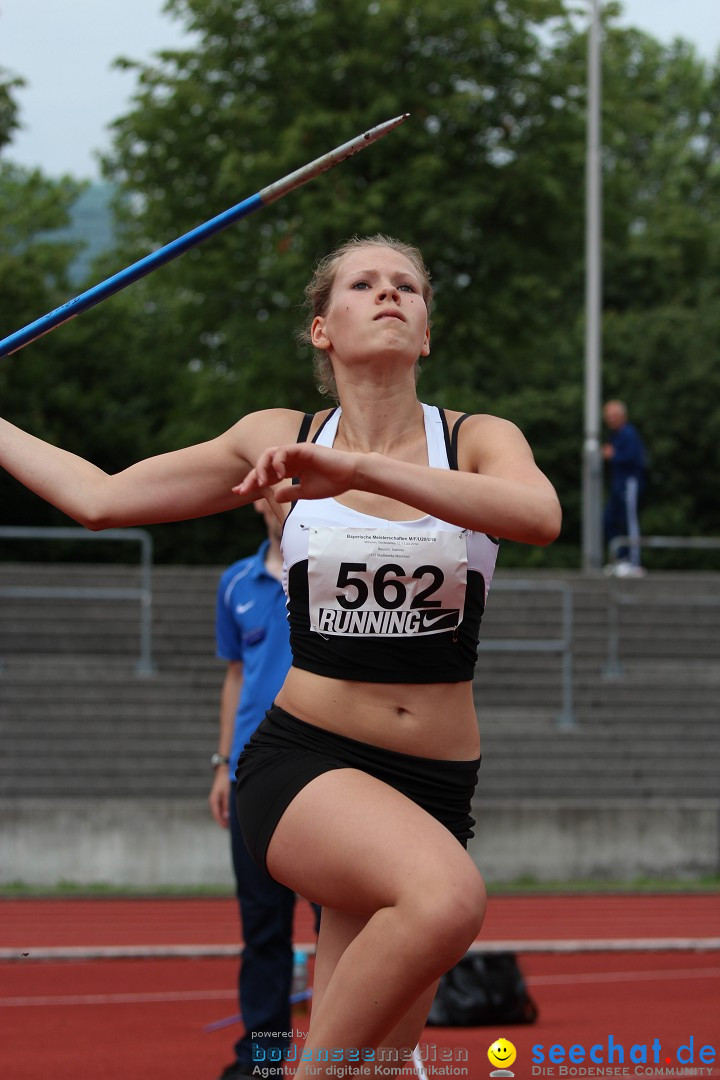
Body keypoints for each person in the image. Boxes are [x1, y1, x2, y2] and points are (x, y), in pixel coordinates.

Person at [0, 234, 561, 1079]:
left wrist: (358, 471)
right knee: (447, 902)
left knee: (374, 1066)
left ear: (428, 333)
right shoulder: (277, 436)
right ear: (320, 330)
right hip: (307, 761)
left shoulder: (477, 439)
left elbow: (536, 515)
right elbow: (101, 499)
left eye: (408, 286)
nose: (390, 294)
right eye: (364, 284)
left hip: (436, 786)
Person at [210, 499, 321, 1080]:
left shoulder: (334, 569)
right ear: (257, 498)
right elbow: (235, 675)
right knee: (263, 932)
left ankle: (337, 1060)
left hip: (327, 778)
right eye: (276, 489)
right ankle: (264, 1061)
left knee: (337, 929)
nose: (287, 500)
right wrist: (222, 764)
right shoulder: (236, 582)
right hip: (251, 780)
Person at [602, 399, 648, 577]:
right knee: (610, 520)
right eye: (608, 416)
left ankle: (634, 562)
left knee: (630, 521)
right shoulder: (615, 434)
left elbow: (634, 458)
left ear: (622, 416)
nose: (610, 419)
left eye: (613, 415)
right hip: (618, 484)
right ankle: (620, 559)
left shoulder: (628, 433)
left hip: (629, 483)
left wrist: (613, 455)